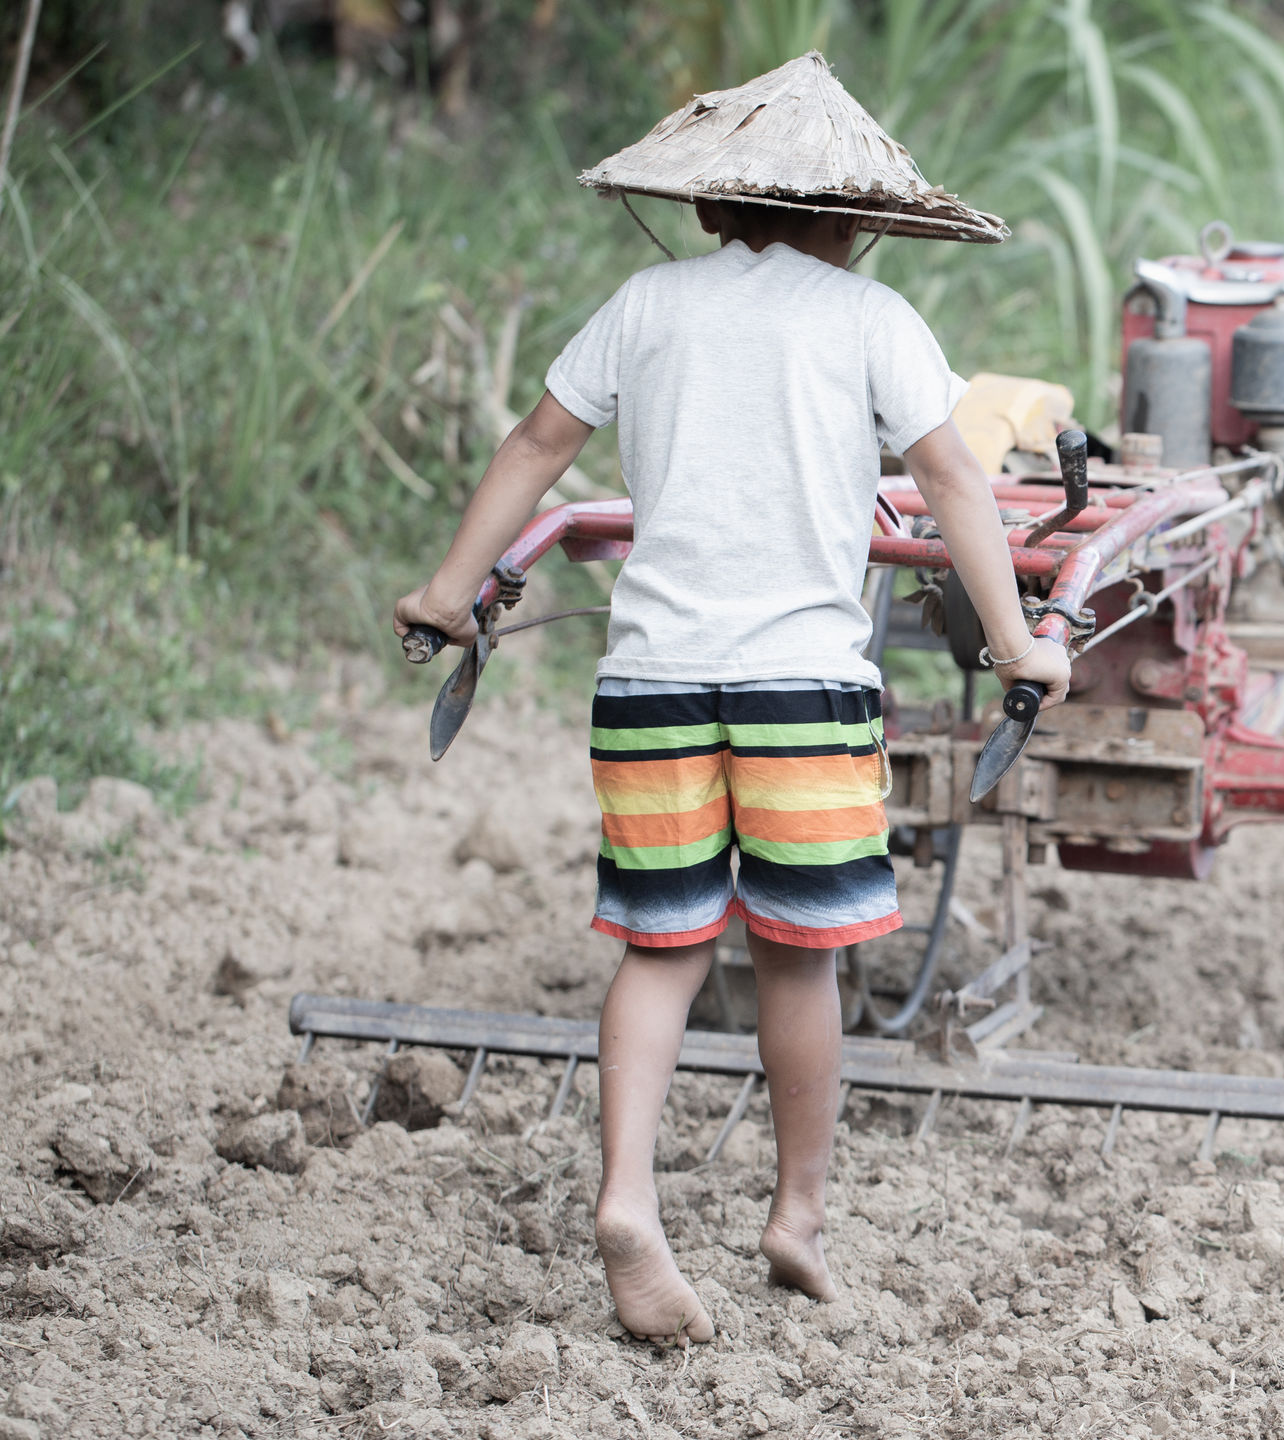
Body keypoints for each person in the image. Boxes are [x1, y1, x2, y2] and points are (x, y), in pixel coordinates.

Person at [390, 54, 1068, 1345]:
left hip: (652, 677)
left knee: (663, 953)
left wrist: (446, 585)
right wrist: (1019, 640)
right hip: (802, 686)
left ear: (708, 206)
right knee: (800, 963)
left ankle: (628, 1196)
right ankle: (796, 1214)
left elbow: (538, 447)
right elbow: (957, 486)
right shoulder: (874, 323)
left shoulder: (646, 303)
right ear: (863, 220)